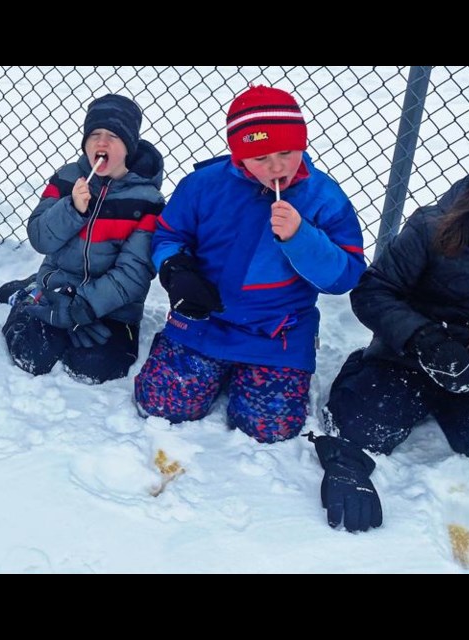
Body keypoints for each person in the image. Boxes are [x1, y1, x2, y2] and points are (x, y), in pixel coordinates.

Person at [316, 141, 469, 533]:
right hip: (409, 354)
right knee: (356, 430)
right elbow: (373, 292)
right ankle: (363, 371)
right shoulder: (432, 227)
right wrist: (423, 340)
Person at [134, 85, 366, 443]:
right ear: (240, 157)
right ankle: (184, 354)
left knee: (268, 429)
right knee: (162, 405)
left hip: (278, 331)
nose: (276, 167)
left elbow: (345, 274)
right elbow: (168, 235)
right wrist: (175, 269)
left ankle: (249, 372)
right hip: (205, 319)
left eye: (287, 152)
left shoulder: (323, 196)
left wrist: (301, 238)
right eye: (260, 158)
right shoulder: (202, 186)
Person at [0, 94, 166, 383]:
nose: (101, 143)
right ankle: (28, 297)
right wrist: (72, 209)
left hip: (114, 307)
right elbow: (40, 238)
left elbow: (135, 272)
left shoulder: (147, 200)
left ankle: (52, 300)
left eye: (113, 136)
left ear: (128, 145)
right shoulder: (66, 179)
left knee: (96, 368)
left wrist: (83, 307)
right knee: (31, 355)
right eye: (95, 135)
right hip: (57, 291)